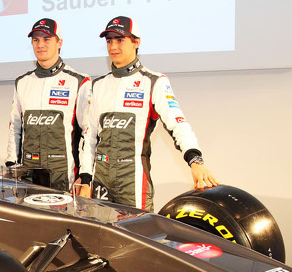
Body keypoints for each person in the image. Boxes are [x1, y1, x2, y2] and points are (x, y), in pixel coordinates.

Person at [80, 16, 218, 210]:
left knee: (136, 237)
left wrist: (195, 161)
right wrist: (86, 179)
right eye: (109, 41)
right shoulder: (99, 85)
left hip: (133, 180)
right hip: (101, 179)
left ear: (136, 42)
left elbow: (177, 124)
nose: (113, 47)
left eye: (120, 40)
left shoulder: (154, 82)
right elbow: (90, 137)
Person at [6, 18, 92, 193]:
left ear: (59, 42)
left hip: (63, 174)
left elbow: (89, 133)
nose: (40, 45)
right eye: (36, 40)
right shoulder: (22, 82)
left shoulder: (78, 81)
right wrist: (11, 164)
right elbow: (15, 127)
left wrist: (85, 176)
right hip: (28, 174)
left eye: (46, 39)